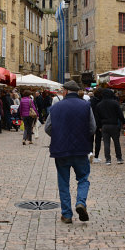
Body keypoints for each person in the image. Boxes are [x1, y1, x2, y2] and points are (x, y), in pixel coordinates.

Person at [44, 80, 96, 224]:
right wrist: (82, 137)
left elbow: (47, 127)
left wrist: (59, 136)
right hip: (80, 149)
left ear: (65, 91)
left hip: (61, 150)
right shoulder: (86, 106)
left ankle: (66, 214)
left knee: (63, 181)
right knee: (83, 178)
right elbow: (92, 127)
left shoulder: (56, 107)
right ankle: (81, 202)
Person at [94, 88, 125, 165]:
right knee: (116, 142)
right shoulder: (115, 103)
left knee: (106, 143)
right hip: (114, 125)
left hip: (104, 126)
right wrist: (124, 122)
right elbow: (120, 114)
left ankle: (108, 160)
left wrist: (99, 126)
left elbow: (97, 117)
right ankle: (119, 158)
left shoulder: (99, 105)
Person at [89, 88, 104, 162]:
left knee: (90, 139)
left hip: (91, 122)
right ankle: (96, 156)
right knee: (98, 140)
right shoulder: (102, 102)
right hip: (99, 123)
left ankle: (90, 153)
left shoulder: (91, 101)